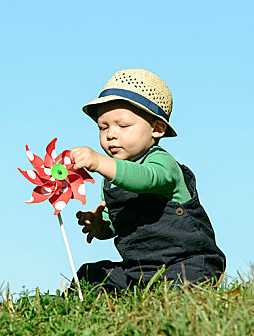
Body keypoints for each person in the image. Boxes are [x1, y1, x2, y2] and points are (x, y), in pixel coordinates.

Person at [70, 68, 226, 291]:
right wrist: (101, 226)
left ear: (156, 128)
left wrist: (99, 163)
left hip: (187, 263)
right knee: (91, 275)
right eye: (103, 127)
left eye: (122, 125)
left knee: (181, 287)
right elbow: (118, 223)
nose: (110, 134)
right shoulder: (112, 178)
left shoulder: (162, 163)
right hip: (140, 270)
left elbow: (146, 179)